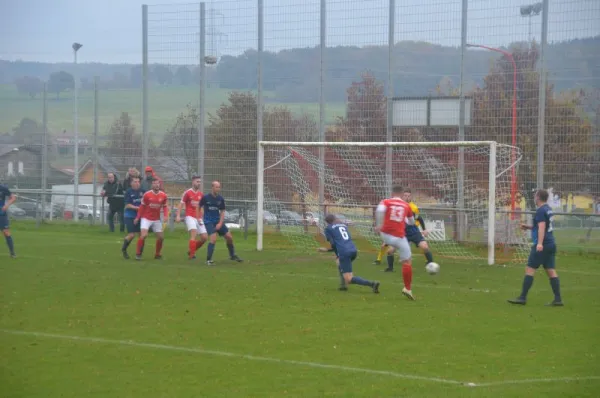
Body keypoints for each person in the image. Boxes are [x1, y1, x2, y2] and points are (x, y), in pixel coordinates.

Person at [508, 189, 563, 306]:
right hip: (551, 244)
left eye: (535, 196)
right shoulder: (548, 209)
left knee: (530, 269)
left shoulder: (540, 211)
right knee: (551, 271)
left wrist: (539, 243)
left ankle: (522, 297)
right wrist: (528, 227)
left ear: (538, 197)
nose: (534, 198)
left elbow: (542, 227)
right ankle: (558, 299)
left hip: (543, 244)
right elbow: (543, 226)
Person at [375, 185, 416, 300]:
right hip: (399, 236)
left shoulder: (386, 201)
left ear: (392, 193)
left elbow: (379, 210)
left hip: (385, 234)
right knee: (407, 261)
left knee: (389, 247)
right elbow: (412, 222)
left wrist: (378, 225)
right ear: (402, 194)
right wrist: (406, 219)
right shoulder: (406, 205)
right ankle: (407, 288)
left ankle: (387, 254)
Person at [324, 214, 380, 293]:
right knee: (339, 263)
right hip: (353, 250)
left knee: (349, 279)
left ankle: (372, 284)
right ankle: (343, 286)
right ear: (335, 219)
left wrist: (335, 253)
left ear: (327, 222)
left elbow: (333, 244)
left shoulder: (328, 229)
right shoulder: (343, 226)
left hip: (344, 252)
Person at [199, 181, 242, 265]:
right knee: (213, 239)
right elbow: (199, 206)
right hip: (209, 222)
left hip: (218, 221)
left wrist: (220, 223)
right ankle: (208, 260)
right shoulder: (205, 197)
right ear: (212, 187)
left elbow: (222, 211)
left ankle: (232, 255)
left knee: (229, 237)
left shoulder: (220, 199)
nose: (218, 189)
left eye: (219, 187)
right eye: (216, 187)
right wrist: (200, 217)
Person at [134, 178, 169, 260]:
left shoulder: (163, 195)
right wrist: (137, 217)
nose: (157, 185)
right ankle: (138, 254)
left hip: (156, 219)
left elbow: (165, 207)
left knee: (161, 237)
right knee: (144, 235)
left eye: (158, 183)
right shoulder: (147, 195)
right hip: (146, 218)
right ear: (152, 185)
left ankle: (157, 254)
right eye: (154, 183)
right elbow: (142, 207)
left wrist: (166, 215)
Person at [176, 175, 208, 260]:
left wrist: (203, 217)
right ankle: (192, 255)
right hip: (189, 216)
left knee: (204, 238)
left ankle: (191, 250)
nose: (199, 183)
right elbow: (181, 204)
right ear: (193, 182)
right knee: (194, 233)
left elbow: (202, 208)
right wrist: (178, 215)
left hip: (199, 218)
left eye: (200, 182)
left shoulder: (201, 194)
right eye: (197, 181)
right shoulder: (187, 193)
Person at [121, 176, 144, 259]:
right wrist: (137, 208)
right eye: (135, 181)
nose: (137, 183)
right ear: (131, 183)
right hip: (130, 215)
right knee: (132, 235)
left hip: (141, 216)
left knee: (142, 235)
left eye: (138, 181)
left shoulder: (143, 191)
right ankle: (124, 249)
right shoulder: (128, 192)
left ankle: (139, 254)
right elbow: (127, 205)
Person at [0, 183, 16, 258]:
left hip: (1, 214)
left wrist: (6, 205)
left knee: (6, 232)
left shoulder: (3, 188)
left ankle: (12, 253)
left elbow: (13, 198)